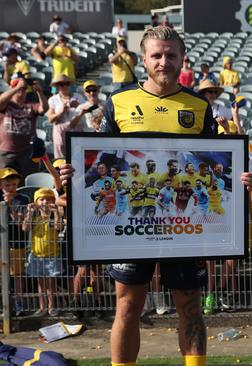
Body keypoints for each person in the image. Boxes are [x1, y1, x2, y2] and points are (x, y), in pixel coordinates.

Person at [59, 26, 221, 366]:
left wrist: (237, 174)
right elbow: (100, 158)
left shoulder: (198, 106)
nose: (164, 62)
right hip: (133, 223)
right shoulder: (119, 101)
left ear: (182, 59)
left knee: (190, 304)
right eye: (157, 55)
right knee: (128, 306)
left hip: (182, 225)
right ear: (144, 59)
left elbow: (214, 162)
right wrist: (76, 172)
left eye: (171, 55)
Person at [22, 188, 64, 317]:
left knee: (51, 284)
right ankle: (42, 307)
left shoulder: (54, 216)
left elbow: (59, 227)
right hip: (36, 255)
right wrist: (29, 212)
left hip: (52, 254)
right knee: (40, 284)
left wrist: (55, 212)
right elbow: (25, 228)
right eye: (42, 199)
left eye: (49, 199)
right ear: (36, 202)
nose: (46, 202)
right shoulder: (35, 218)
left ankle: (52, 307)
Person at [0, 77, 47, 176]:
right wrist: (17, 87)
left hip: (28, 152)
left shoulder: (31, 106)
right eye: (18, 90)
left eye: (24, 90)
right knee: (4, 181)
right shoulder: (6, 105)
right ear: (11, 90)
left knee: (28, 178)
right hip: (6, 152)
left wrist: (39, 91)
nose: (21, 92)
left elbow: (44, 108)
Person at [0, 168, 30, 315]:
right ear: (1, 185)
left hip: (17, 242)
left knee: (18, 275)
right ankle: (3, 304)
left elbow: (20, 222)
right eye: (7, 185)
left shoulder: (23, 199)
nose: (11, 187)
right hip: (1, 243)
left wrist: (11, 205)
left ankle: (19, 303)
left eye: (13, 184)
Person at [47, 75, 84, 159]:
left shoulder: (78, 97)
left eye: (66, 84)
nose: (64, 86)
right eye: (61, 84)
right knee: (61, 160)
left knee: (77, 158)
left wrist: (78, 105)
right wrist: (60, 112)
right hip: (60, 133)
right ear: (57, 86)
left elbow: (88, 110)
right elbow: (50, 119)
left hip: (76, 131)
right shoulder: (53, 99)